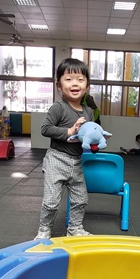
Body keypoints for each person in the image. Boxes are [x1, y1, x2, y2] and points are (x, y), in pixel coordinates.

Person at [35, 58, 94, 240]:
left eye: (80, 79)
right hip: (56, 159)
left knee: (81, 199)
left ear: (87, 85)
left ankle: (74, 228)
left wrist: (94, 143)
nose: (75, 83)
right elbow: (45, 129)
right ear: (59, 86)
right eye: (68, 79)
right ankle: (44, 230)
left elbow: (88, 134)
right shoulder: (58, 107)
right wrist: (69, 131)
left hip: (76, 162)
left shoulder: (88, 111)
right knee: (51, 201)